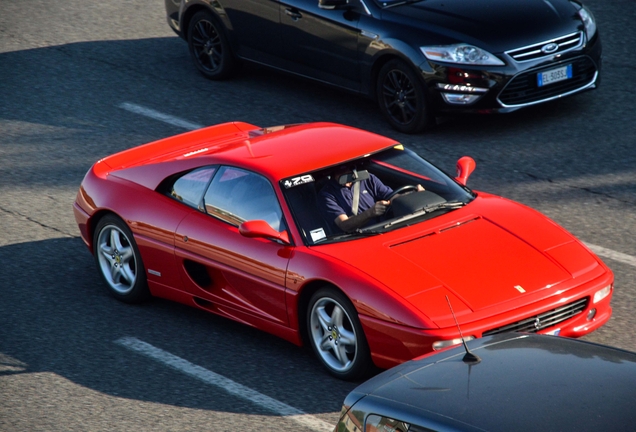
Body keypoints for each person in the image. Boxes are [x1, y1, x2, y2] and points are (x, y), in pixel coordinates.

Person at [319, 167, 423, 233]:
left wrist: (413, 195)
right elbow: (344, 225)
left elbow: (392, 196)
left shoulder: (368, 179)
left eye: (347, 168)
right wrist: (370, 213)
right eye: (339, 170)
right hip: (359, 237)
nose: (345, 172)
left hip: (386, 228)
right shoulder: (327, 194)